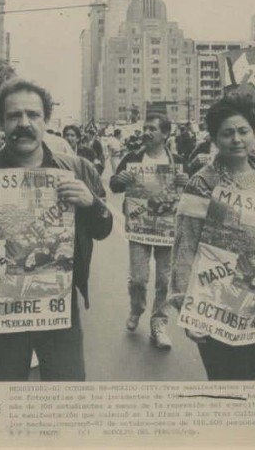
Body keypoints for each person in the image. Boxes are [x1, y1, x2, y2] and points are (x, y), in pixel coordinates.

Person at [0, 78, 113, 381]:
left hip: (60, 313)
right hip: (0, 314)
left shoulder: (78, 169)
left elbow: (103, 228)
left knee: (67, 399)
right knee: (8, 400)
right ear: (0, 123)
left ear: (45, 120)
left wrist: (92, 203)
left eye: (33, 115)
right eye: (14, 116)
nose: (24, 123)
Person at [169, 93, 255, 380]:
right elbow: (185, 243)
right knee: (225, 380)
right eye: (227, 133)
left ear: (254, 132)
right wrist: (185, 305)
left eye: (243, 131)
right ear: (215, 138)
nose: (237, 139)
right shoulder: (202, 183)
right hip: (216, 300)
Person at [110, 112, 189, 350]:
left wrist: (186, 182)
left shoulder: (177, 160)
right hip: (140, 229)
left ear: (165, 134)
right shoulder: (133, 158)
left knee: (164, 280)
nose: (146, 133)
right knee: (138, 278)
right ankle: (137, 308)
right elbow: (114, 186)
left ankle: (159, 324)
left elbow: (190, 194)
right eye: (145, 128)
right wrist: (120, 178)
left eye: (152, 129)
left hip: (167, 229)